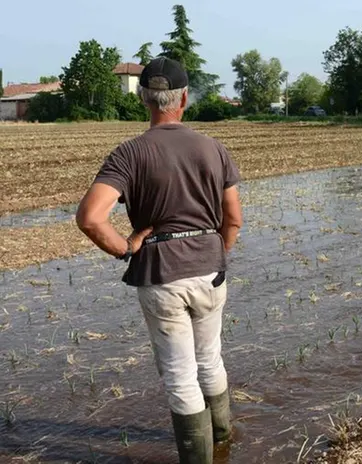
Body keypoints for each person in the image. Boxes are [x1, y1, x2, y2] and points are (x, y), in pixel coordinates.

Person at [75, 56, 243, 463]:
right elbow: (233, 218)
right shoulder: (213, 148)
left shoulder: (129, 154)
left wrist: (126, 247)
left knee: (181, 375)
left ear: (144, 100)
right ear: (184, 98)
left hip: (160, 275)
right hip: (210, 272)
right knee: (210, 359)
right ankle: (224, 440)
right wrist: (215, 252)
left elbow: (90, 218)